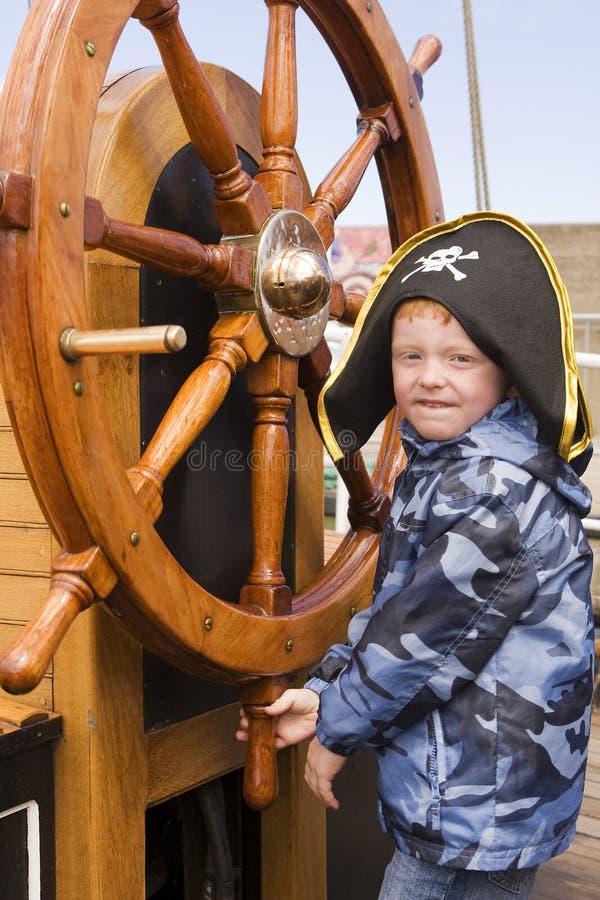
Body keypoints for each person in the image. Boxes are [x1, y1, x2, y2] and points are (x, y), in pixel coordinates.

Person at [237, 212, 595, 899]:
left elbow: (419, 644)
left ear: (510, 377)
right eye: (411, 357)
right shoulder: (444, 469)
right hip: (473, 788)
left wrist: (335, 732)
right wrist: (323, 692)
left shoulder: (493, 492)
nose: (432, 377)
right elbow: (397, 608)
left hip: (482, 800)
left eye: (460, 359)